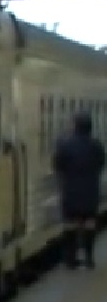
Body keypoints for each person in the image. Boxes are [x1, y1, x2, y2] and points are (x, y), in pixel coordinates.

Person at [53, 111, 106, 269]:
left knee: (70, 224)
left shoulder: (65, 145)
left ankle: (71, 259)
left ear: (75, 126)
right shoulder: (96, 146)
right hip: (91, 190)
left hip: (70, 191)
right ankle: (89, 258)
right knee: (89, 223)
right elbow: (101, 164)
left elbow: (58, 165)